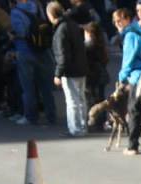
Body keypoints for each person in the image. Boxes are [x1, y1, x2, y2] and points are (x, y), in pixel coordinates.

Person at [113, 7, 141, 155]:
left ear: (127, 19)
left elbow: (128, 59)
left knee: (134, 111)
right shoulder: (140, 32)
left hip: (136, 76)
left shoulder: (130, 36)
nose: (117, 24)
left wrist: (121, 77)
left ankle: (133, 146)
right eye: (115, 22)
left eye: (120, 20)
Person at [10, 0, 57, 125]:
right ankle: (51, 115)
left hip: (25, 50)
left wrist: (13, 36)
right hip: (42, 49)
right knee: (45, 86)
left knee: (28, 87)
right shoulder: (37, 6)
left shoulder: (15, 12)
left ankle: (31, 116)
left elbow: (21, 32)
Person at [48, 1, 88, 137]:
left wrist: (58, 74)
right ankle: (82, 126)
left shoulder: (61, 30)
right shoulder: (72, 24)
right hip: (81, 67)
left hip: (70, 70)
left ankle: (75, 128)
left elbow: (63, 54)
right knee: (81, 99)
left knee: (72, 100)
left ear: (51, 15)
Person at [83, 21, 109, 129]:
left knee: (91, 99)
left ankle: (93, 121)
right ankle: (101, 121)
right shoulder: (101, 43)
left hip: (92, 75)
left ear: (89, 33)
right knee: (100, 99)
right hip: (101, 74)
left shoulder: (88, 45)